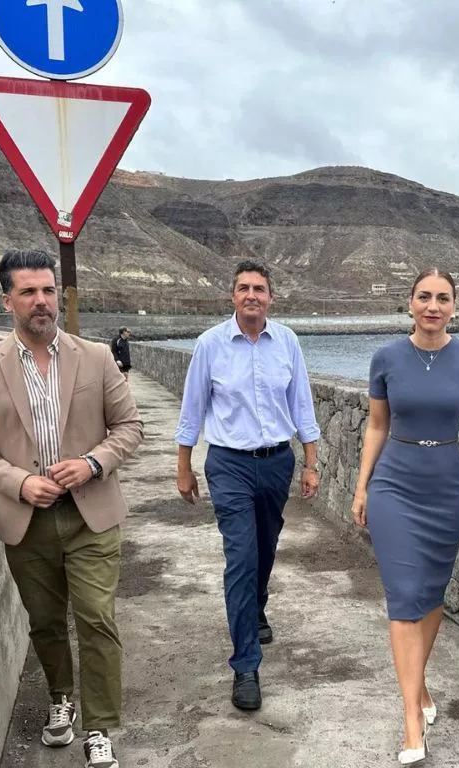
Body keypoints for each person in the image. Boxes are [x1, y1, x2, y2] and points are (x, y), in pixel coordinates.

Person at [0, 249, 143, 768]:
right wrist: (17, 482)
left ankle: (99, 727)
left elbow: (130, 428)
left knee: (97, 619)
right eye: (29, 292)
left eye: (48, 291)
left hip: (91, 515)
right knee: (45, 621)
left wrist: (92, 463)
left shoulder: (97, 357)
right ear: (7, 301)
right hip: (27, 521)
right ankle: (62, 699)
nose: (42, 302)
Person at [351, 268, 459, 765]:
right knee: (405, 596)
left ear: (454, 306)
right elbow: (375, 425)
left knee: (431, 594)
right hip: (395, 483)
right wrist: (362, 485)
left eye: (443, 298)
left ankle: (420, 686)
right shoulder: (386, 357)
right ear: (409, 303)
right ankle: (411, 716)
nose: (433, 306)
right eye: (424, 297)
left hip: (446, 488)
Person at [174, 260, 321, 711]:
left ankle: (255, 607)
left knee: (266, 546)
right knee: (241, 557)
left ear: (271, 298)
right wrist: (184, 466)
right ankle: (246, 667)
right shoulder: (210, 345)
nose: (252, 295)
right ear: (232, 296)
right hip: (229, 465)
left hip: (277, 462)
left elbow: (302, 404)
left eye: (259, 288)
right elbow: (192, 408)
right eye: (243, 288)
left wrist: (311, 463)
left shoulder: (288, 342)